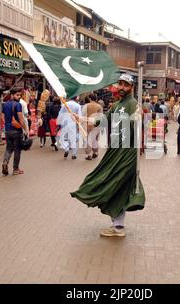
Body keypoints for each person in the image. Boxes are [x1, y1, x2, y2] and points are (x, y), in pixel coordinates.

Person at [71, 73, 145, 238]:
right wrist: (80, 119)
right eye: (120, 84)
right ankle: (117, 225)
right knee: (110, 183)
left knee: (117, 185)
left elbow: (137, 125)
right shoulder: (117, 105)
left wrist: (138, 118)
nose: (122, 88)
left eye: (125, 85)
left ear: (132, 87)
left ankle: (118, 227)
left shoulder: (133, 104)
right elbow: (101, 120)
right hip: (114, 151)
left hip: (126, 154)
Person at [1, 88, 29, 176]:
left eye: (20, 95)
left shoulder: (4, 105)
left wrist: (7, 124)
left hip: (8, 131)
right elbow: (21, 118)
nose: (19, 97)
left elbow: (2, 117)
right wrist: (25, 129)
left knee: (9, 148)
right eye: (17, 95)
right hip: (16, 131)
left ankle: (5, 162)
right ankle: (15, 169)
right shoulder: (18, 105)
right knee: (17, 150)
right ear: (12, 95)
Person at [83, 93, 103, 160]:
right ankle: (95, 153)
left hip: (88, 124)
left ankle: (88, 154)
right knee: (95, 139)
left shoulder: (86, 105)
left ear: (90, 98)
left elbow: (83, 115)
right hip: (97, 125)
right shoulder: (99, 106)